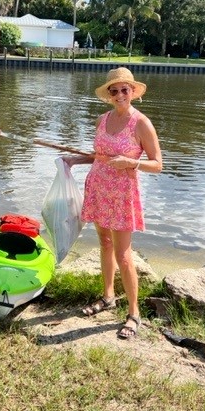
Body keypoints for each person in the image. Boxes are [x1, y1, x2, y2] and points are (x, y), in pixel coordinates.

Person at [63, 67, 162, 340]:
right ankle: (108, 297)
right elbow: (99, 156)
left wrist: (132, 162)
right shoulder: (102, 119)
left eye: (124, 90)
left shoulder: (141, 123)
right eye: (114, 90)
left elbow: (158, 164)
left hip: (122, 194)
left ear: (133, 92)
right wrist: (74, 160)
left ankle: (134, 312)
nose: (119, 94)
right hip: (98, 188)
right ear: (108, 95)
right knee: (104, 244)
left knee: (124, 255)